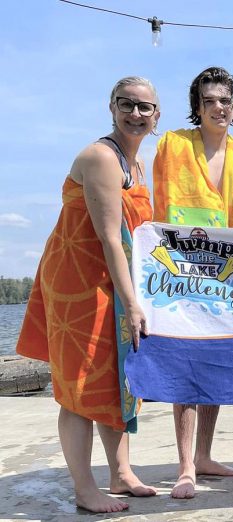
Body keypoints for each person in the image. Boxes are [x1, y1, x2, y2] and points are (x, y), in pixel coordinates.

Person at [16, 77, 159, 512]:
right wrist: (134, 302)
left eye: (145, 107)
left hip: (111, 281)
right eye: (126, 104)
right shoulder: (101, 157)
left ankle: (120, 473)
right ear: (111, 107)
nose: (135, 113)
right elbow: (111, 237)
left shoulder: (135, 164)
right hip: (82, 284)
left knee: (116, 375)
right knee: (80, 386)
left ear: (157, 117)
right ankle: (84, 488)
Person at [152, 66, 233, 499]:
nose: (218, 107)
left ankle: (205, 455)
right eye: (209, 100)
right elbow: (157, 204)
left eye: (225, 100)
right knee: (185, 371)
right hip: (177, 275)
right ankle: (184, 467)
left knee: (214, 368)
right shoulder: (173, 144)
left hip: (225, 278)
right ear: (198, 107)